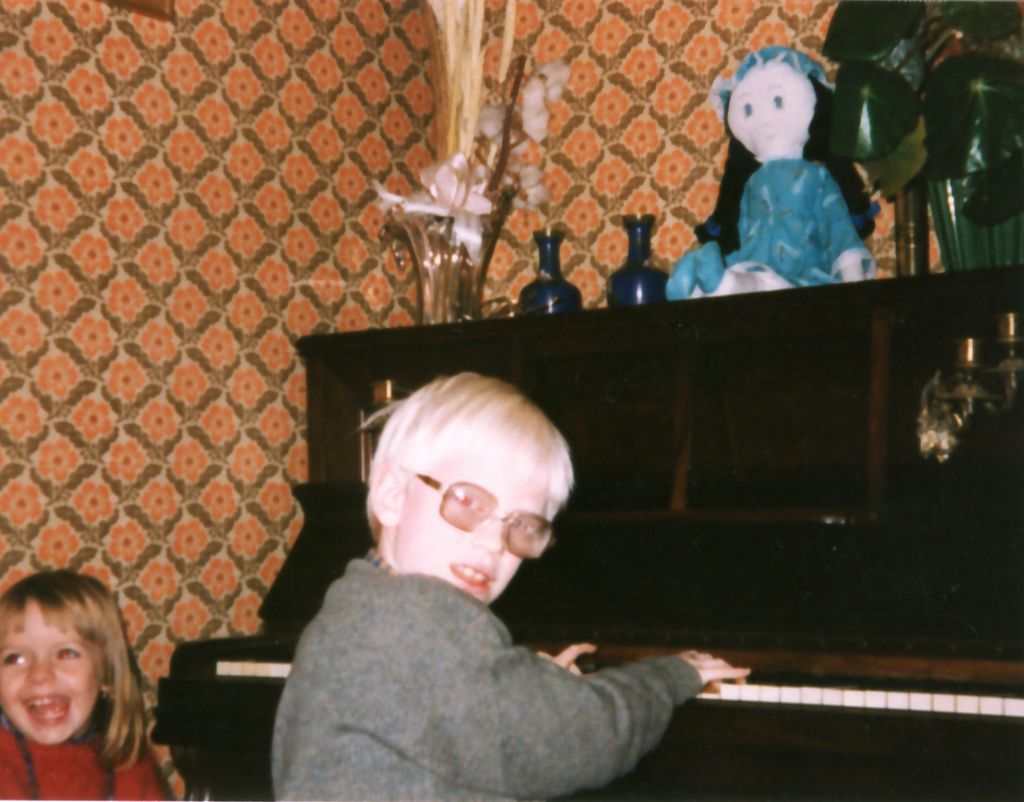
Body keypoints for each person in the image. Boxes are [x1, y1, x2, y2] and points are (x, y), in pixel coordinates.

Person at [272, 372, 750, 801]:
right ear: (392, 494)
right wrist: (670, 676)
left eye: (521, 526)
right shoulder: (416, 618)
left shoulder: (364, 605)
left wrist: (533, 689)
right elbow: (578, 742)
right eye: (468, 502)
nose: (493, 543)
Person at [0, 570, 167, 800]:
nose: (40, 675)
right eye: (15, 658)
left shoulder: (129, 764)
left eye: (67, 653)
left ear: (106, 672)